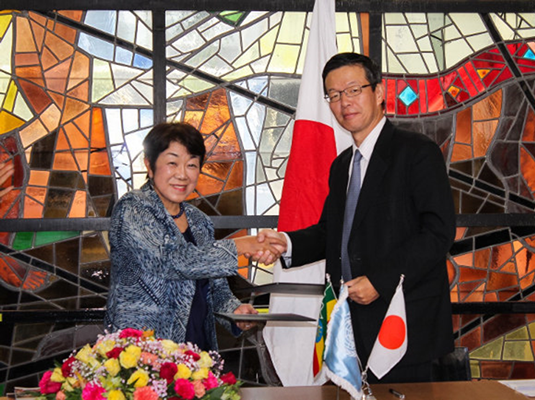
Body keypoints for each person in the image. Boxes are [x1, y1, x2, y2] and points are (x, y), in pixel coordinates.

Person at [259, 53, 456, 383]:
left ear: (378, 93)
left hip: (403, 325)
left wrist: (381, 281)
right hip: (348, 325)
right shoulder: (341, 165)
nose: (343, 102)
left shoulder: (416, 152)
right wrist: (287, 242)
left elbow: (438, 232)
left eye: (353, 90)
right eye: (334, 95)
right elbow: (331, 233)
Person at [105, 122, 283, 350]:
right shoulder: (133, 208)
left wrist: (235, 310)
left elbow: (215, 287)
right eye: (172, 163)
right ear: (149, 165)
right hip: (144, 352)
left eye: (191, 165)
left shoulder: (199, 221)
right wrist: (240, 245)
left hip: (198, 349)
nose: (182, 174)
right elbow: (171, 262)